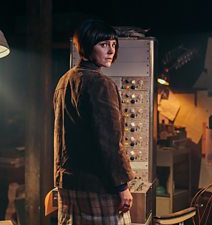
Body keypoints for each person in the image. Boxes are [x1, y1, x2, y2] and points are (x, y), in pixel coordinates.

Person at [53, 20, 135, 225]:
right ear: (88, 47)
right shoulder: (100, 83)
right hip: (97, 185)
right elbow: (108, 141)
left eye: (113, 45)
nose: (110, 51)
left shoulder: (64, 81)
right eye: (103, 44)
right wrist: (121, 186)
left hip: (69, 184)